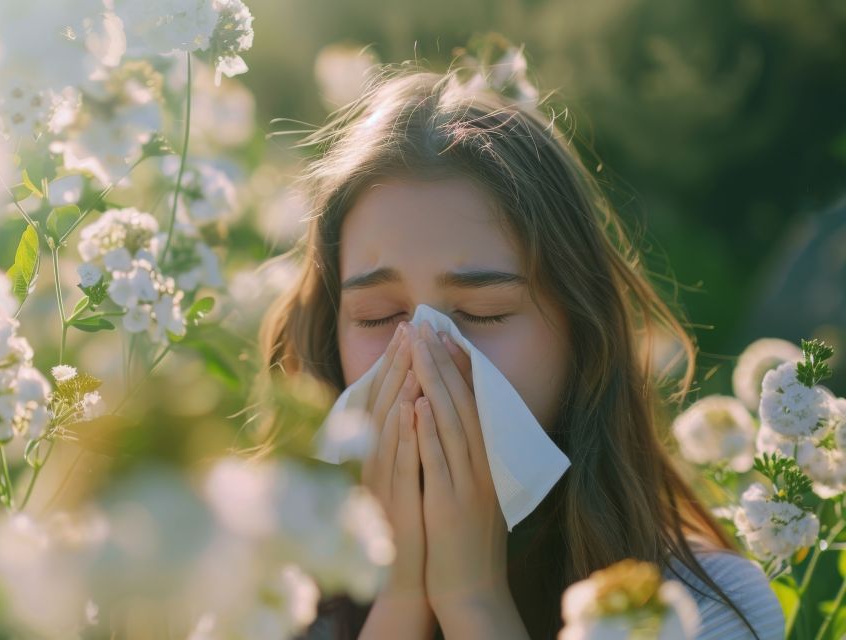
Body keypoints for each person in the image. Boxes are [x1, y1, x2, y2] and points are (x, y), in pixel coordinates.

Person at [255, 61, 784, 639]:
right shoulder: (262, 597)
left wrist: (474, 602)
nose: (427, 356)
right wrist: (399, 598)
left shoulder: (695, 609)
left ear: (581, 331)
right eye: (378, 317)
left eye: (485, 313)